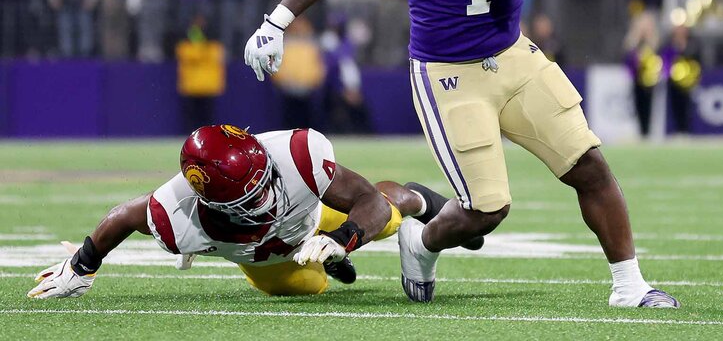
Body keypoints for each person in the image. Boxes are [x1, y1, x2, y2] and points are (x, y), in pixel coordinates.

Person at [243, 0, 678, 308]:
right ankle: (421, 241)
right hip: (448, 71)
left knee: (589, 165)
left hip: (514, 54)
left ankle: (630, 285)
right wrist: (277, 21)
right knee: (486, 210)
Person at [27, 124, 472, 299]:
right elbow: (125, 216)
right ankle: (329, 265)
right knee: (307, 290)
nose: (264, 196)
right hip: (264, 259)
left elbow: (367, 202)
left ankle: (418, 198)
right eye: (248, 196)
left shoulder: (296, 157)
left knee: (387, 214)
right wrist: (82, 266)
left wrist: (342, 238)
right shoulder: (176, 211)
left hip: (313, 219)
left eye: (264, 182)